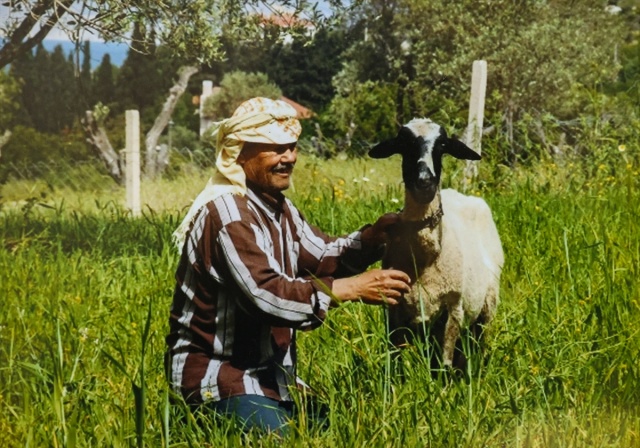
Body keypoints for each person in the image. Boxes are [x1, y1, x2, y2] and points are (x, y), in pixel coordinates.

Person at [165, 97, 411, 435]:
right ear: (240, 152)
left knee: (340, 431)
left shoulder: (278, 207)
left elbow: (322, 254)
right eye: (276, 149)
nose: (289, 158)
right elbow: (266, 295)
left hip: (269, 376)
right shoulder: (227, 215)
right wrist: (350, 288)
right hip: (216, 377)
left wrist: (372, 238)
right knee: (281, 439)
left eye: (292, 147)